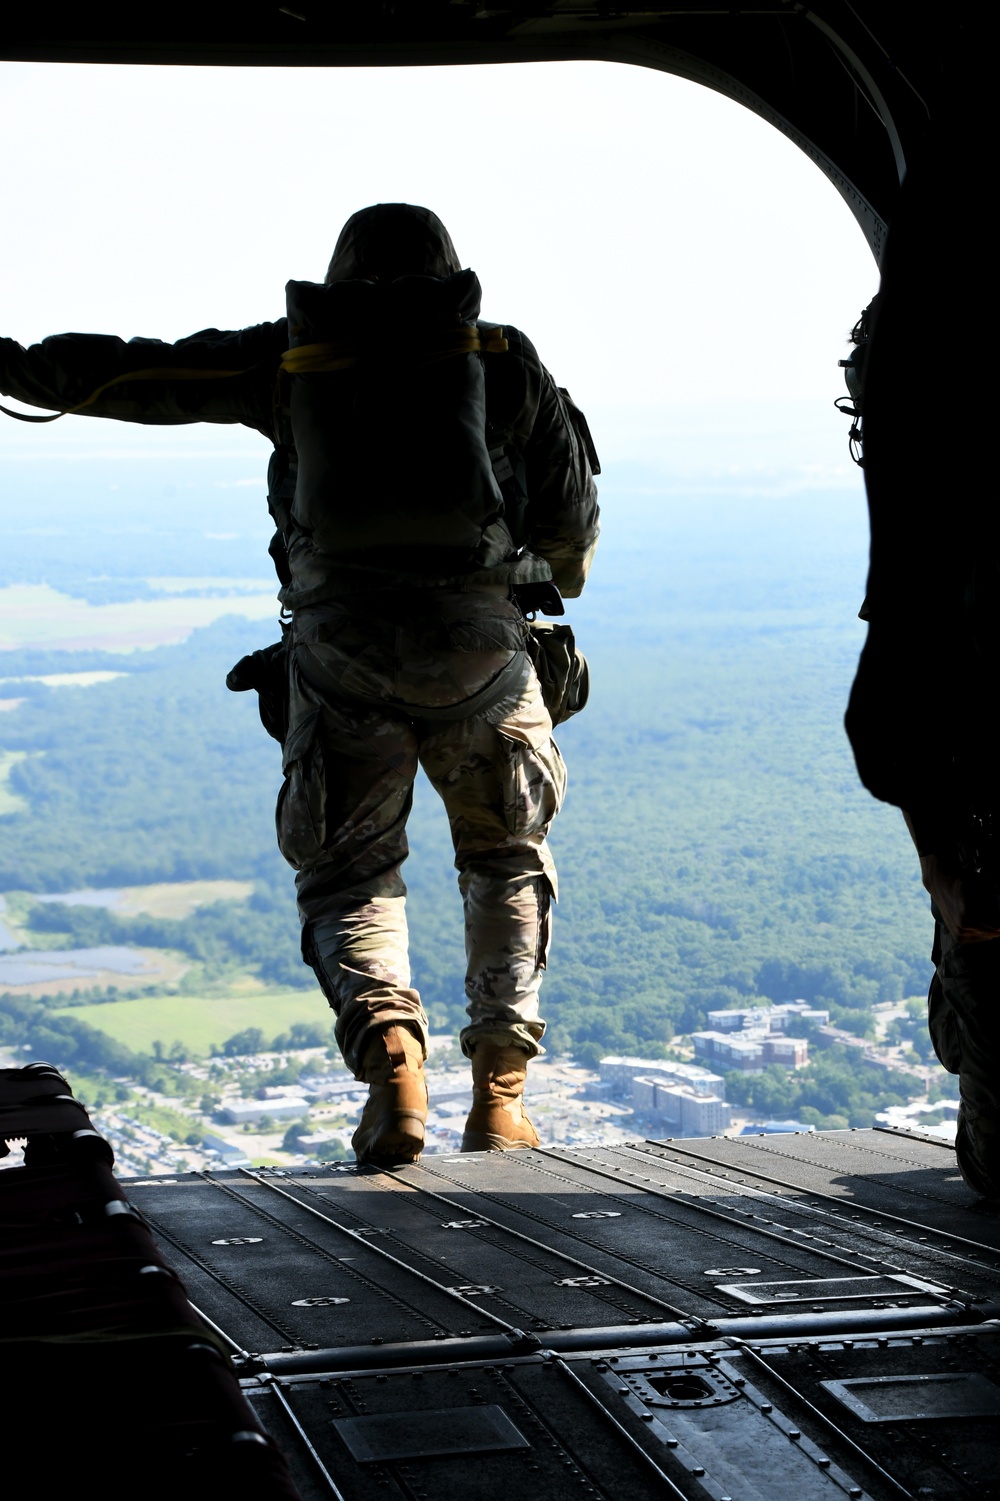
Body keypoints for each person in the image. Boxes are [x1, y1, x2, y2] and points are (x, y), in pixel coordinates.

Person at [0, 203, 600, 1168]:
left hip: (339, 651)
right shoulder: (504, 359)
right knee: (504, 858)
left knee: (352, 873)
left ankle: (392, 1066)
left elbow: (134, 372)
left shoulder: (292, 357)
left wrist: (13, 364)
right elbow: (570, 531)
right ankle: (500, 1096)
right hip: (481, 649)